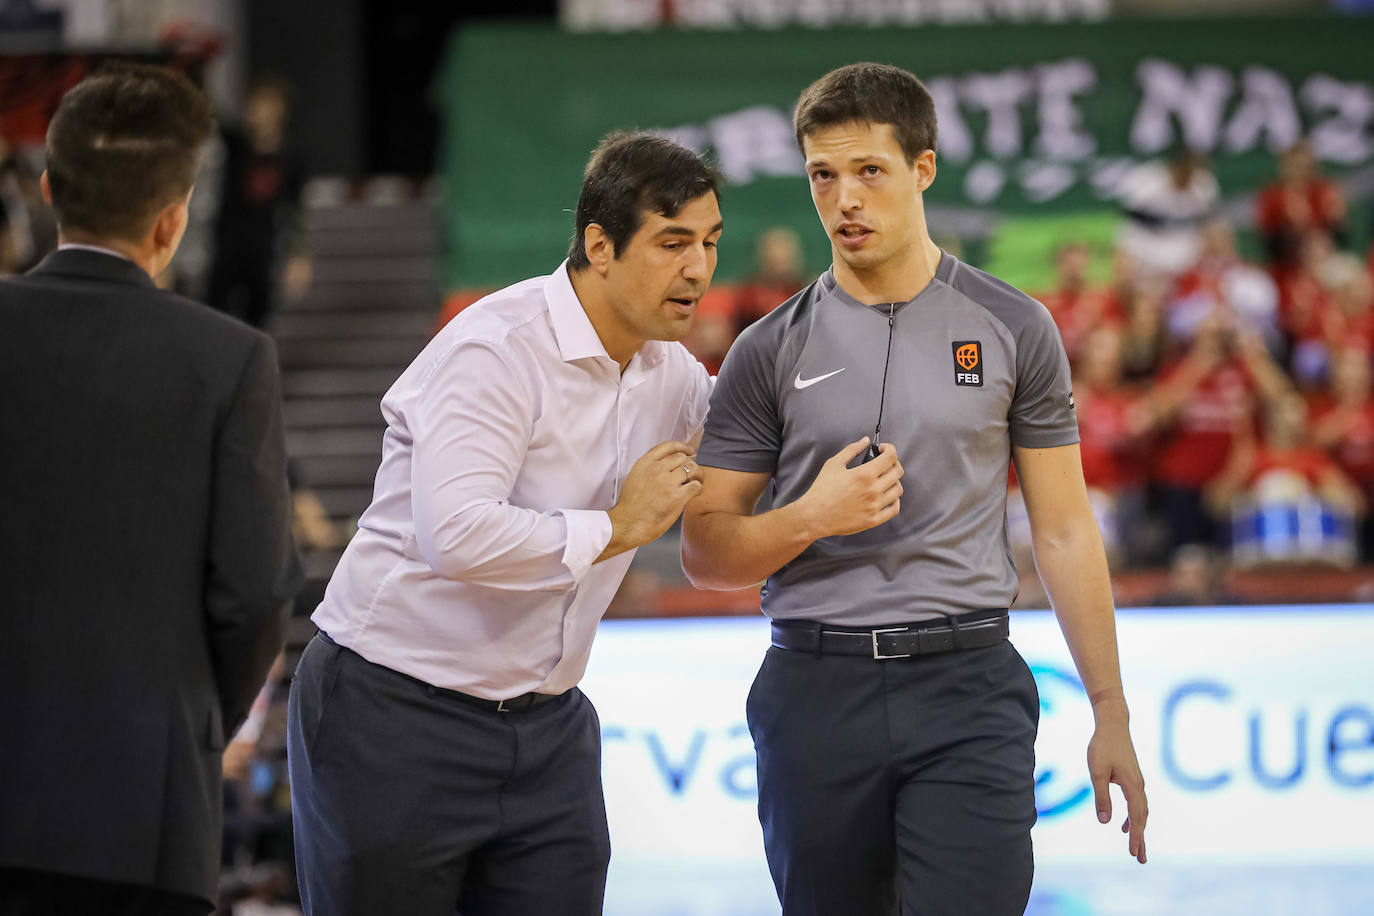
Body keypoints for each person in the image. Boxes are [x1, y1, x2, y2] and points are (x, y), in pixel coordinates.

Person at [680, 63, 1148, 916]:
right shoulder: (766, 348)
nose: (845, 200)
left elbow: (1064, 530)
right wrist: (808, 518)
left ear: (923, 168)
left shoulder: (1015, 327)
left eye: (870, 171)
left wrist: (1109, 708)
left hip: (968, 687)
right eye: (824, 175)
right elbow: (705, 552)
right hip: (815, 691)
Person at [287, 132, 721, 916]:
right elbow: (456, 535)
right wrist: (616, 528)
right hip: (392, 710)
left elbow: (765, 433)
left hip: (548, 726)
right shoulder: (497, 347)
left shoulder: (673, 372)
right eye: (673, 243)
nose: (698, 268)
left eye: (710, 243)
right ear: (600, 246)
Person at [0, 64, 300, 915]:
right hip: (145, 812)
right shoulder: (230, 361)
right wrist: (194, 721)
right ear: (174, 219)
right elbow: (256, 594)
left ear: (49, 188)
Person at [206, 78, 309, 329]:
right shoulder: (237, 144)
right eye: (255, 104)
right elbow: (210, 110)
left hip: (263, 246)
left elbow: (296, 209)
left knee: (259, 317)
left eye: (266, 105)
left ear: (280, 111)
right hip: (228, 242)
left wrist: (298, 255)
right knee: (216, 310)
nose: (259, 111)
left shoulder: (291, 156)